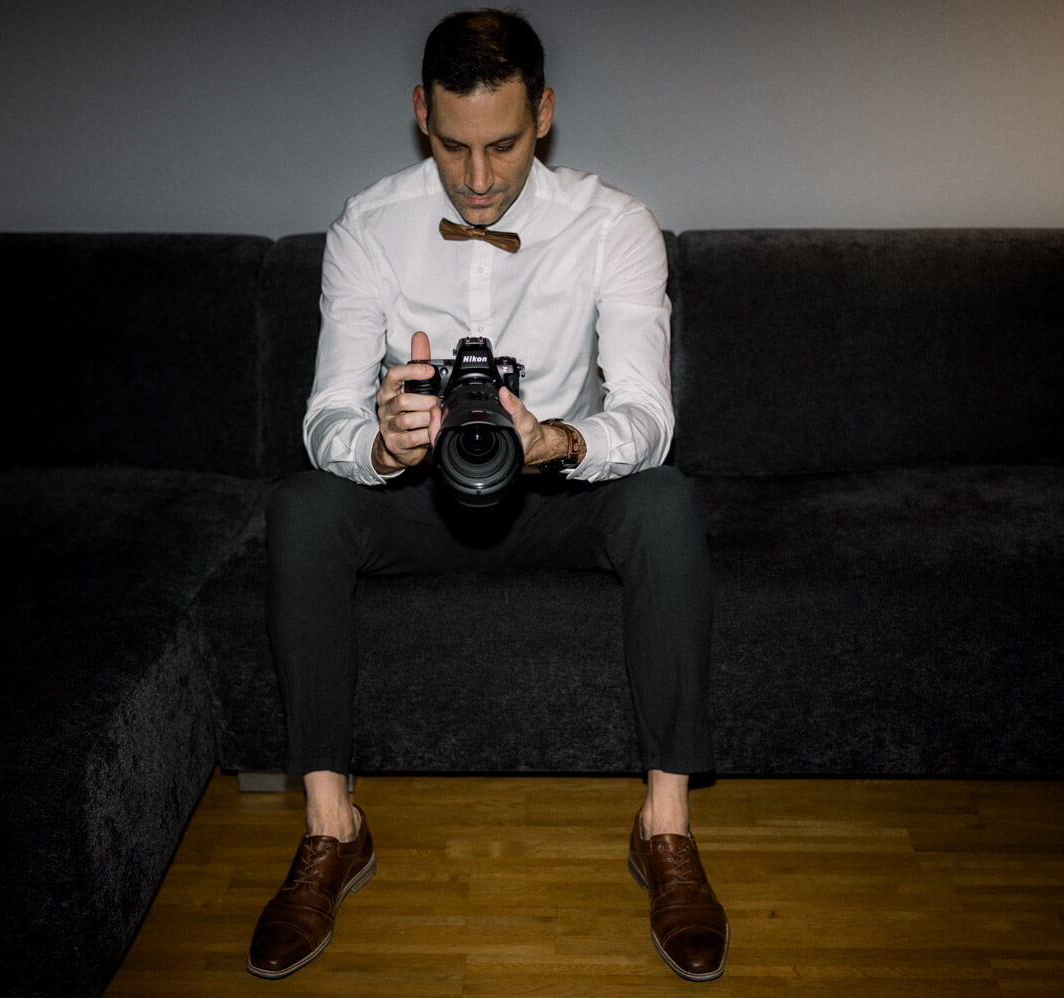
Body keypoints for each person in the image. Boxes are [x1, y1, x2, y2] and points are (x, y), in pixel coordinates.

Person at [248, 8, 728, 983]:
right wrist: (381, 444)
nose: (477, 178)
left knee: (667, 498)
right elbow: (324, 418)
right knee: (302, 502)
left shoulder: (614, 225)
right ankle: (333, 827)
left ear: (544, 114)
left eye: (502, 145)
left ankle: (665, 828)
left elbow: (647, 416)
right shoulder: (369, 227)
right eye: (454, 145)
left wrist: (553, 437)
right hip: (421, 496)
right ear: (420, 113)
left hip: (557, 491)